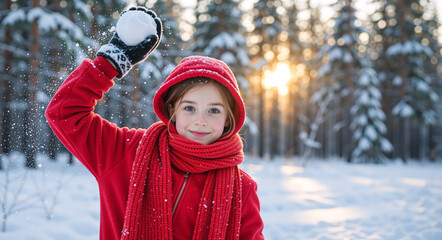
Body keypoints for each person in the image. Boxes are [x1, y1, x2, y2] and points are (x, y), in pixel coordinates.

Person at [46, 6, 264, 240]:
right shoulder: (126, 152)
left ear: (229, 117)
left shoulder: (242, 190)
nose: (200, 121)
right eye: (189, 108)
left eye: (214, 110)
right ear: (172, 109)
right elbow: (64, 113)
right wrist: (111, 61)